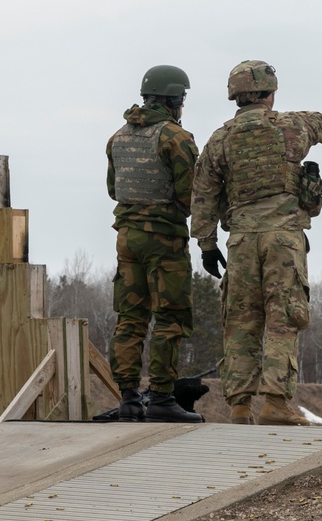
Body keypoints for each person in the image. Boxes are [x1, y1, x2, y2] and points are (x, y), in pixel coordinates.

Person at [191, 59, 322, 426]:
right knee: (284, 318)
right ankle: (275, 403)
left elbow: (203, 193)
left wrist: (207, 244)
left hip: (240, 241)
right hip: (283, 240)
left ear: (235, 95)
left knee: (240, 321)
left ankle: (239, 407)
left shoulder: (220, 138)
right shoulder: (291, 125)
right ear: (269, 93)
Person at [105, 65, 204, 423]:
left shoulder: (118, 137)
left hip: (127, 238)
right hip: (164, 239)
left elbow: (114, 189)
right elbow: (190, 192)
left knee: (130, 318)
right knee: (170, 317)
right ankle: (162, 397)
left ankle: (130, 398)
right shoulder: (175, 138)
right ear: (175, 99)